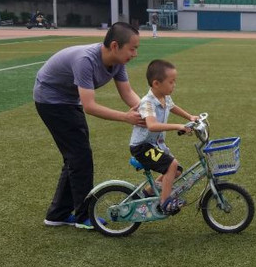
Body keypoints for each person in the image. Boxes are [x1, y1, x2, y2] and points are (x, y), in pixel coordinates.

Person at [34, 21, 145, 229]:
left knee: (76, 156)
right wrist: (125, 117)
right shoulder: (86, 60)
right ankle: (84, 217)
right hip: (51, 100)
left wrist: (148, 113)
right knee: (80, 157)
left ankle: (57, 214)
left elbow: (128, 93)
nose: (135, 54)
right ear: (114, 46)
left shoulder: (118, 63)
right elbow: (90, 106)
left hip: (69, 100)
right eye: (132, 48)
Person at [129, 59, 196, 215]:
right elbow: (152, 125)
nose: (174, 85)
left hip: (155, 144)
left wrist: (190, 117)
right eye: (171, 82)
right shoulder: (147, 102)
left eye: (174, 81)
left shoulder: (164, 97)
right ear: (156, 84)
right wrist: (178, 126)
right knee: (171, 165)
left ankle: (146, 193)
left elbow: (173, 107)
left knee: (177, 170)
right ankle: (165, 202)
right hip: (142, 146)